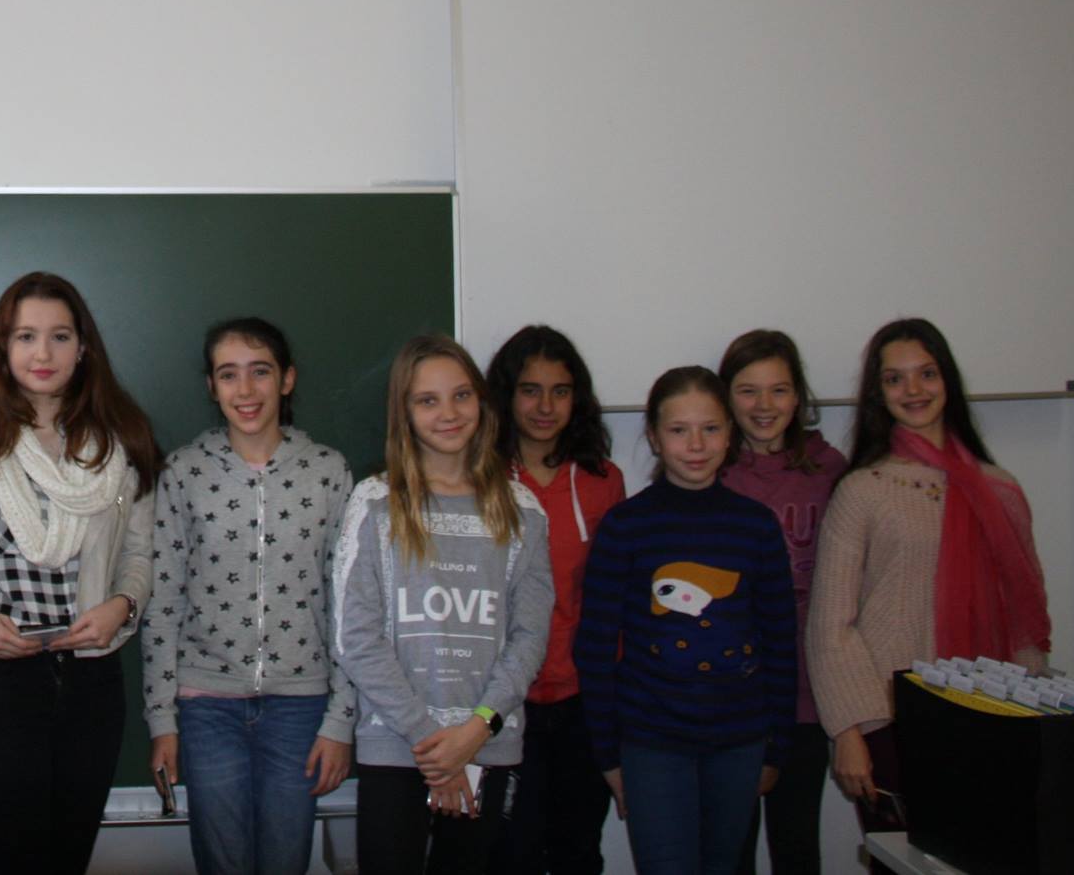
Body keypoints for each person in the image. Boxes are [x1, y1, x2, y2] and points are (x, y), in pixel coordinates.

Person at [0, 271, 160, 875]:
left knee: (68, 856)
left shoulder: (121, 442)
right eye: (26, 336)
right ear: (3, 348)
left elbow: (139, 555)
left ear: (83, 348)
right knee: (16, 859)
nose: (43, 353)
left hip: (91, 677)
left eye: (60, 336)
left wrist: (121, 607)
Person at [807, 318, 1049, 838]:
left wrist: (1030, 710)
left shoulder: (1001, 489)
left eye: (926, 373)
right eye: (894, 379)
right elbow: (831, 624)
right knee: (902, 861)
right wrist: (849, 730)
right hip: (889, 720)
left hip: (992, 711)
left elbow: (1024, 613)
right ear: (878, 393)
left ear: (948, 381)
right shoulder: (862, 490)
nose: (913, 390)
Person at [332, 334, 552, 875]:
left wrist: (474, 732)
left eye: (461, 396)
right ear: (404, 412)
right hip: (398, 744)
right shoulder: (375, 502)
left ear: (481, 401)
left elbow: (529, 636)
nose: (448, 414)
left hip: (487, 744)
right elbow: (355, 637)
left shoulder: (523, 509)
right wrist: (433, 744)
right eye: (428, 400)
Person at [142, 317, 355, 875]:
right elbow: (163, 603)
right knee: (223, 862)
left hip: (300, 706)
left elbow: (349, 606)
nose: (246, 389)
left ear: (287, 379)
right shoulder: (184, 473)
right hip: (207, 705)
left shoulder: (328, 472)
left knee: (286, 859)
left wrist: (341, 720)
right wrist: (162, 720)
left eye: (260, 371)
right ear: (211, 387)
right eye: (228, 374)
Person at [574, 366, 795, 875]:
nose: (696, 445)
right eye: (679, 430)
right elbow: (596, 646)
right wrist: (608, 754)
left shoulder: (756, 526)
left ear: (730, 433)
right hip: (651, 744)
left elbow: (781, 641)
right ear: (654, 436)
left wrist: (776, 747)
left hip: (740, 742)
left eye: (710, 428)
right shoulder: (626, 525)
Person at [484, 325, 624, 875]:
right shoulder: (478, 479)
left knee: (578, 853)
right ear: (506, 395)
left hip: (583, 702)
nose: (546, 406)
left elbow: (615, 598)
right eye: (530, 390)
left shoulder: (602, 481)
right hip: (502, 703)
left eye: (560, 391)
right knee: (509, 855)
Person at [717, 330, 845, 875]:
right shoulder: (711, 471)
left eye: (779, 390)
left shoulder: (830, 471)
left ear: (798, 396)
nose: (764, 406)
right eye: (748, 391)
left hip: (807, 695)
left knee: (797, 847)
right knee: (731, 850)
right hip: (731, 698)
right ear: (726, 397)